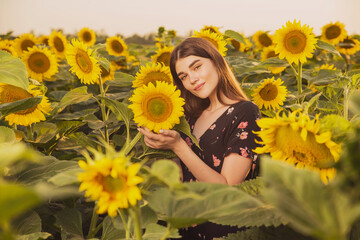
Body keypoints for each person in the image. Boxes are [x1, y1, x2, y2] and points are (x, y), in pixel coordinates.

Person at [137, 37, 261, 239]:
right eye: (183, 76)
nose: (192, 80)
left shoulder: (245, 112)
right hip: (182, 226)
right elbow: (179, 177)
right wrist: (162, 147)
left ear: (216, 61)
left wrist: (179, 147)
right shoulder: (190, 116)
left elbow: (227, 189)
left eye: (197, 67)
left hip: (220, 229)